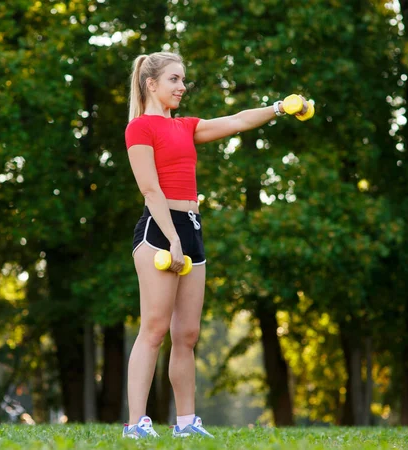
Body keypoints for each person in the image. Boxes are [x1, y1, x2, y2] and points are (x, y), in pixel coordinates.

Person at [121, 51, 310, 439]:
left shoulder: (187, 127)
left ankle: (187, 424)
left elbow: (238, 121)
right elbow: (149, 187)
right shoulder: (140, 128)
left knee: (187, 333)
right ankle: (136, 424)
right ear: (151, 84)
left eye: (183, 79)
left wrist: (279, 108)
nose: (182, 86)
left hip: (191, 226)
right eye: (174, 79)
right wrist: (172, 240)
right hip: (159, 230)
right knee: (154, 329)